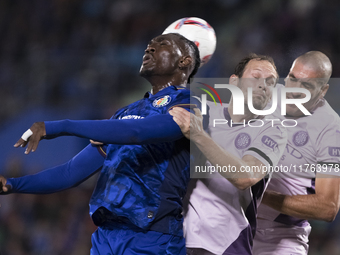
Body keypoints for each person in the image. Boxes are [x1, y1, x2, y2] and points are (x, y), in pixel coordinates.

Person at [0, 33, 201, 255]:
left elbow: (137, 133)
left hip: (152, 236)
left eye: (161, 44)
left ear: (185, 61)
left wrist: (61, 126)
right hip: (106, 237)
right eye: (148, 45)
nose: (150, 49)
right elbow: (71, 172)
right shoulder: (125, 112)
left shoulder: (190, 103)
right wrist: (12, 185)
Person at [169, 54, 288, 255]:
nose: (263, 85)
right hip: (177, 238)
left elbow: (245, 177)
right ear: (234, 81)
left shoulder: (273, 130)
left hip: (225, 245)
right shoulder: (205, 111)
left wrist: (198, 135)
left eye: (271, 82)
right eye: (256, 76)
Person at [253, 51, 340, 255]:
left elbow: (328, 207)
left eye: (307, 86)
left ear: (323, 90)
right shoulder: (263, 96)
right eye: (293, 79)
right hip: (233, 223)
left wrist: (258, 194)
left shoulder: (331, 130)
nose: (294, 91)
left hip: (280, 237)